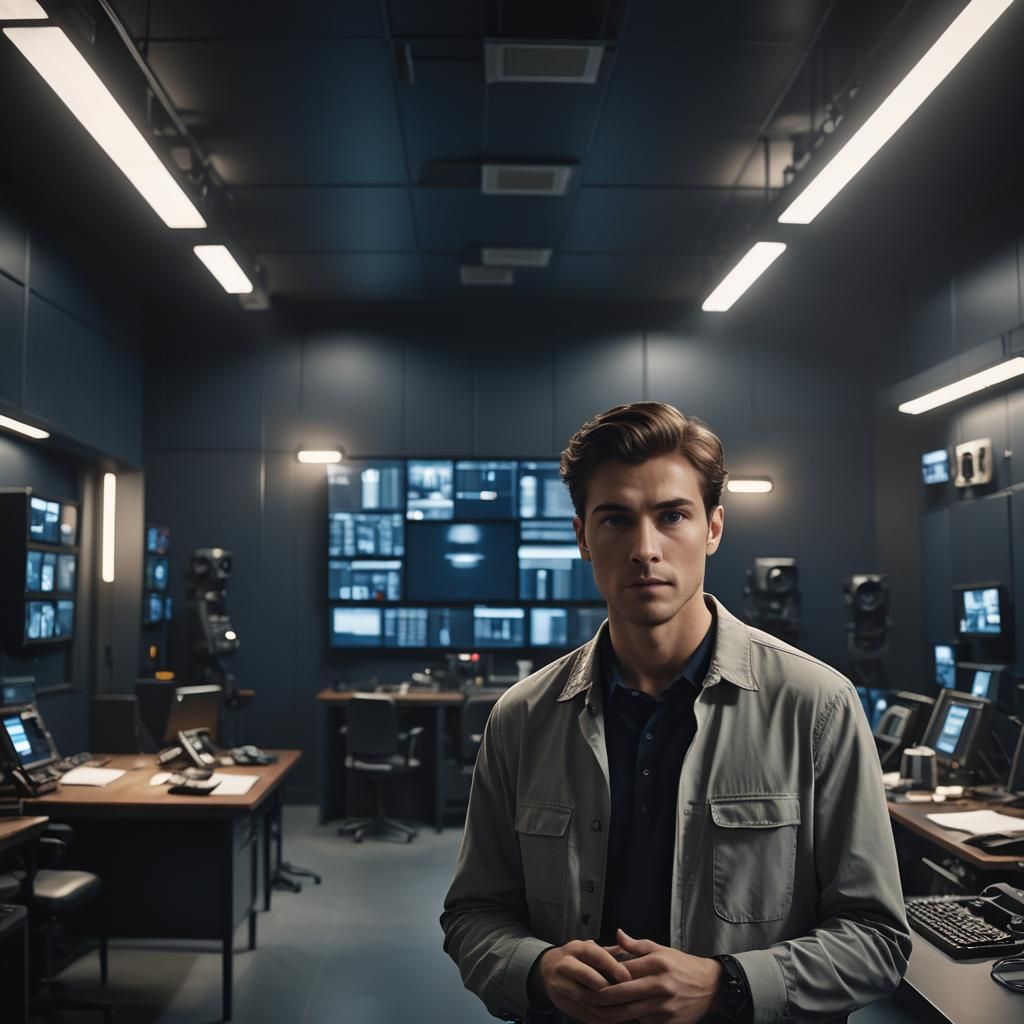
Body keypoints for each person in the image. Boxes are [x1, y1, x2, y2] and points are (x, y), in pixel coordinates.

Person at [441, 402, 911, 1024]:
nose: (645, 549)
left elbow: (877, 938)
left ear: (713, 528)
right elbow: (473, 914)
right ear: (582, 535)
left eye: (672, 516)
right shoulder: (522, 718)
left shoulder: (818, 705)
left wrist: (729, 986)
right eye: (615, 519)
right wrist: (536, 969)